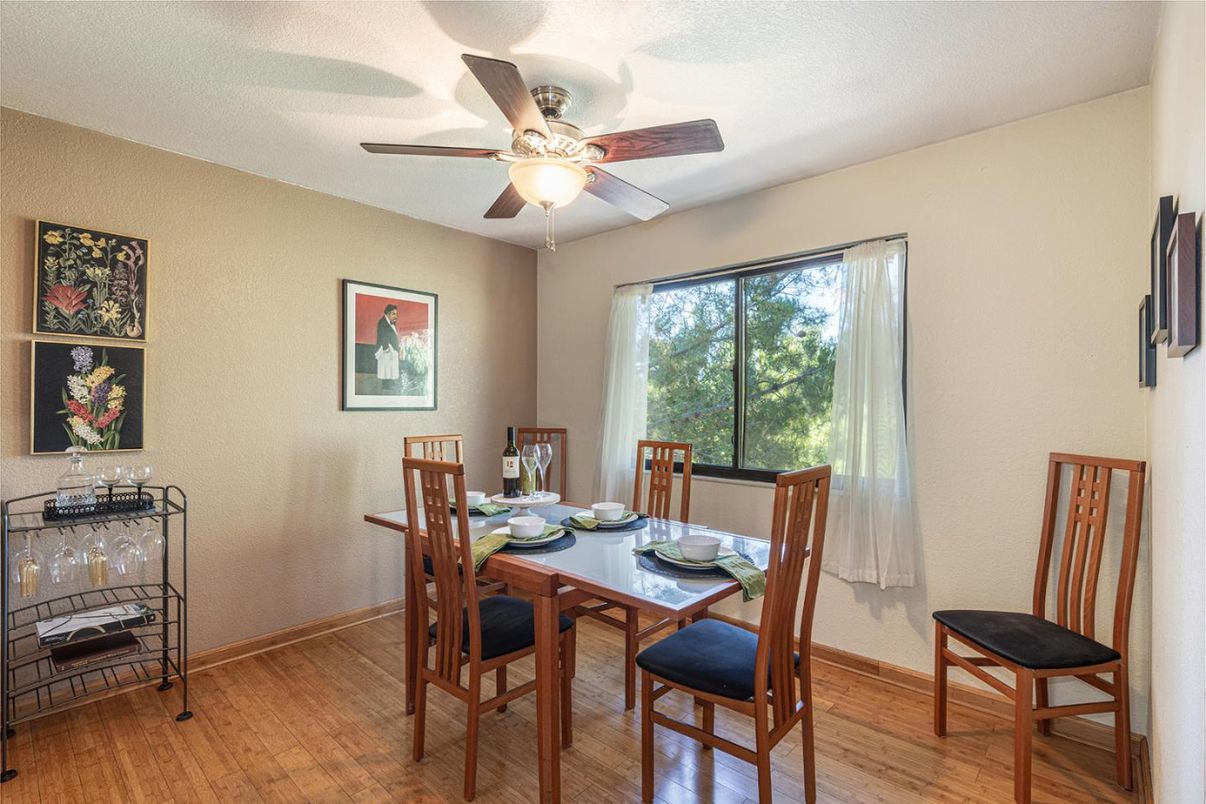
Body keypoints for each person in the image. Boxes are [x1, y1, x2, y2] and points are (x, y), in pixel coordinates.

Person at [375, 304, 401, 390]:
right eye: (393, 314)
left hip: (392, 349)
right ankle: (387, 386)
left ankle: (390, 384)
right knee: (386, 368)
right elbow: (382, 336)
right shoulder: (382, 322)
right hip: (386, 350)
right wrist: (386, 348)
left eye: (396, 314)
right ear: (387, 313)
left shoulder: (391, 322)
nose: (395, 316)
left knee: (391, 367)